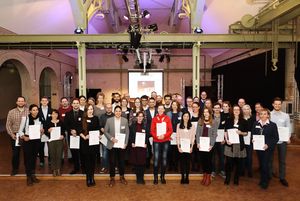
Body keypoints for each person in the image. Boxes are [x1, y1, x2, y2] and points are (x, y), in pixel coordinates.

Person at [252, 108, 279, 189]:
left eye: (264, 114)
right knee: (261, 164)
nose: (263, 115)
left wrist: (268, 144)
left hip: (268, 149)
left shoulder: (272, 125)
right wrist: (252, 139)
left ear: (268, 115)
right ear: (259, 115)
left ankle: (265, 181)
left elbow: (275, 138)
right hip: (259, 148)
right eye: (261, 114)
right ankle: (262, 179)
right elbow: (253, 134)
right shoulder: (256, 123)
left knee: (265, 165)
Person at [104, 106, 130, 187]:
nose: (118, 112)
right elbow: (105, 131)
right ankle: (112, 178)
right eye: (116, 111)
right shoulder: (109, 120)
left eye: (119, 111)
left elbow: (127, 133)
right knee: (112, 162)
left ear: (121, 112)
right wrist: (111, 138)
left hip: (121, 145)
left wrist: (125, 143)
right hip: (112, 144)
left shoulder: (125, 120)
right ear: (114, 112)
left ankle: (122, 177)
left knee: (121, 162)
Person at [18, 104, 43, 186]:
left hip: (36, 141)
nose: (35, 111)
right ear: (30, 111)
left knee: (34, 158)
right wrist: (23, 136)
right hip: (27, 140)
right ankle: (28, 177)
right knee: (28, 159)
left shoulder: (40, 119)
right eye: (33, 110)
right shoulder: (25, 119)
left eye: (36, 110)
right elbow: (20, 130)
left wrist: (42, 131)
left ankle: (33, 175)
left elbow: (41, 131)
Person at [224, 105, 248, 185]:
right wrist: (227, 140)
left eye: (238, 109)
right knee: (229, 163)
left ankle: (236, 179)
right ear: (232, 111)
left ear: (240, 111)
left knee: (238, 164)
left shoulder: (244, 121)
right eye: (235, 110)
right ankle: (227, 178)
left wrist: (241, 133)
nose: (236, 111)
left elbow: (246, 133)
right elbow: (225, 132)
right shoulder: (228, 120)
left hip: (239, 145)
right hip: (230, 144)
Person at [270, 97, 291, 187]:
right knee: (269, 159)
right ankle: (269, 175)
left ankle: (282, 177)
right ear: (273, 105)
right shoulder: (269, 114)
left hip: (282, 141)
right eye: (276, 104)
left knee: (282, 160)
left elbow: (288, 128)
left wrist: (288, 137)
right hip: (271, 141)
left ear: (281, 105)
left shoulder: (285, 115)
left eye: (279, 104)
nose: (277, 105)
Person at [6, 96, 29, 176]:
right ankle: (15, 169)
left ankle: (28, 168)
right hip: (15, 136)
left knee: (27, 153)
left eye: (22, 101)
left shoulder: (28, 111)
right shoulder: (11, 112)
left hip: (25, 135)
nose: (21, 102)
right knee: (15, 153)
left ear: (25, 102)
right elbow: (8, 125)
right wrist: (12, 134)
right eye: (19, 101)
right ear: (16, 102)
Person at [150, 104, 173, 184]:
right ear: (157, 110)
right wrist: (157, 136)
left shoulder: (167, 118)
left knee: (164, 159)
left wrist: (164, 135)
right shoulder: (154, 119)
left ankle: (162, 176)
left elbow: (170, 130)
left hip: (165, 141)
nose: (160, 110)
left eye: (161, 108)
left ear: (164, 110)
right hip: (156, 141)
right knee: (156, 159)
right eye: (159, 108)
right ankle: (155, 177)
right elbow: (151, 131)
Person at [79, 104, 100, 187]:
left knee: (93, 162)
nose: (90, 110)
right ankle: (88, 178)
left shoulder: (95, 118)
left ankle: (92, 178)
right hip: (85, 143)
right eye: (89, 109)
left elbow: (97, 129)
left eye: (91, 109)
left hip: (94, 143)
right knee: (87, 162)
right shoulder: (82, 119)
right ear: (86, 110)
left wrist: (99, 134)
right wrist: (84, 137)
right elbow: (79, 130)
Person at [196, 108, 217, 186]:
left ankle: (208, 177)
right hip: (201, 144)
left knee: (209, 161)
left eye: (207, 112)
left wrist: (211, 144)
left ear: (210, 113)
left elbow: (214, 134)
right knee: (203, 160)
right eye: (204, 112)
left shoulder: (213, 122)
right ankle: (204, 176)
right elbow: (197, 132)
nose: (205, 113)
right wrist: (197, 142)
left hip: (209, 145)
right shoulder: (200, 121)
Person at [64, 98, 84, 174]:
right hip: (71, 136)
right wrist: (71, 130)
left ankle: (83, 168)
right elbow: (66, 125)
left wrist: (77, 131)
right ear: (72, 105)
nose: (76, 104)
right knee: (74, 153)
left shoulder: (83, 113)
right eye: (74, 103)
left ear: (79, 104)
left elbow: (84, 125)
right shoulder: (68, 114)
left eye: (77, 103)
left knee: (82, 152)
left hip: (81, 135)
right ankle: (76, 168)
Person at [176, 111, 195, 184]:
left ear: (189, 117)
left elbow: (193, 137)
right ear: (182, 117)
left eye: (187, 116)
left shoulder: (192, 126)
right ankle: (182, 177)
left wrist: (192, 147)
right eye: (184, 116)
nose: (186, 118)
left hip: (189, 146)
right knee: (182, 163)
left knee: (187, 163)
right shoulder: (178, 125)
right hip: (181, 146)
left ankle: (187, 177)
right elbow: (177, 136)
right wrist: (178, 147)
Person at [129, 111, 148, 184]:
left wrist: (146, 143)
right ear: (136, 117)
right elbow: (130, 136)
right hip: (135, 147)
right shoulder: (132, 126)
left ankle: (142, 178)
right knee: (136, 163)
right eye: (139, 116)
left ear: (143, 118)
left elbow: (147, 136)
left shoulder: (145, 126)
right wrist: (132, 143)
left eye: (141, 116)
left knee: (142, 163)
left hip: (142, 147)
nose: (140, 118)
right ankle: (138, 178)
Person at [46, 109, 65, 176]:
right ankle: (54, 169)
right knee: (52, 155)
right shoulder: (48, 122)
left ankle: (58, 169)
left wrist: (62, 135)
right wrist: (48, 131)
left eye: (56, 114)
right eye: (53, 114)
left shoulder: (61, 122)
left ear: (58, 115)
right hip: (51, 141)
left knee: (59, 155)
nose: (54, 115)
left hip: (59, 140)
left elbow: (63, 131)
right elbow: (46, 132)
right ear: (51, 115)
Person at [166, 101, 182, 172]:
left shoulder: (181, 113)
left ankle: (176, 166)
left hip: (178, 135)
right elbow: (166, 125)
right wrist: (168, 135)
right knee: (170, 151)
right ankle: (170, 166)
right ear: (171, 105)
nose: (174, 106)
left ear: (178, 106)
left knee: (177, 151)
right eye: (173, 104)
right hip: (170, 135)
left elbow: (182, 125)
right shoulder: (168, 113)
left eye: (176, 105)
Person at [211, 102, 226, 178]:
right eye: (215, 108)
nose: (217, 109)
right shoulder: (210, 117)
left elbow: (226, 129)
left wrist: (225, 138)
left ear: (220, 109)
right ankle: (213, 171)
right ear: (213, 109)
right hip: (212, 140)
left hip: (221, 140)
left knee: (222, 156)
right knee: (212, 156)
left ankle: (222, 171)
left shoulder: (224, 117)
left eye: (218, 108)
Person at [99, 103, 114, 173]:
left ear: (112, 108)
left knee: (113, 153)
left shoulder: (114, 115)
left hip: (113, 137)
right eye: (107, 108)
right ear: (105, 108)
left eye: (110, 108)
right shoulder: (102, 116)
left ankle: (114, 167)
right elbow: (100, 126)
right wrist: (102, 129)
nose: (109, 109)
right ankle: (105, 167)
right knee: (105, 153)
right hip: (104, 137)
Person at [38, 96, 52, 167]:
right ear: (40, 102)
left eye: (45, 101)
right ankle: (41, 161)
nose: (44, 102)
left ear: (47, 102)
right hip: (41, 131)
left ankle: (50, 160)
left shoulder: (51, 110)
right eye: (42, 100)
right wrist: (40, 129)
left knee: (50, 147)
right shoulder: (37, 110)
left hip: (49, 131)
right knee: (41, 147)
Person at [242, 104, 255, 177]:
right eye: (244, 109)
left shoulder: (253, 119)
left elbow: (255, 130)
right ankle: (242, 170)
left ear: (250, 110)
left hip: (250, 140)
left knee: (249, 157)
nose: (246, 110)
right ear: (242, 110)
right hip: (242, 140)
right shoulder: (240, 119)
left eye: (247, 109)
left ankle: (249, 171)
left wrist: (253, 138)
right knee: (243, 156)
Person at [144, 98, 157, 168]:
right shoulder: (145, 112)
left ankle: (156, 162)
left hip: (157, 133)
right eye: (150, 102)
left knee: (156, 148)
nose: (151, 103)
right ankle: (148, 163)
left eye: (153, 102)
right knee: (148, 149)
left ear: (155, 103)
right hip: (148, 133)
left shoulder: (158, 111)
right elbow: (144, 123)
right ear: (148, 103)